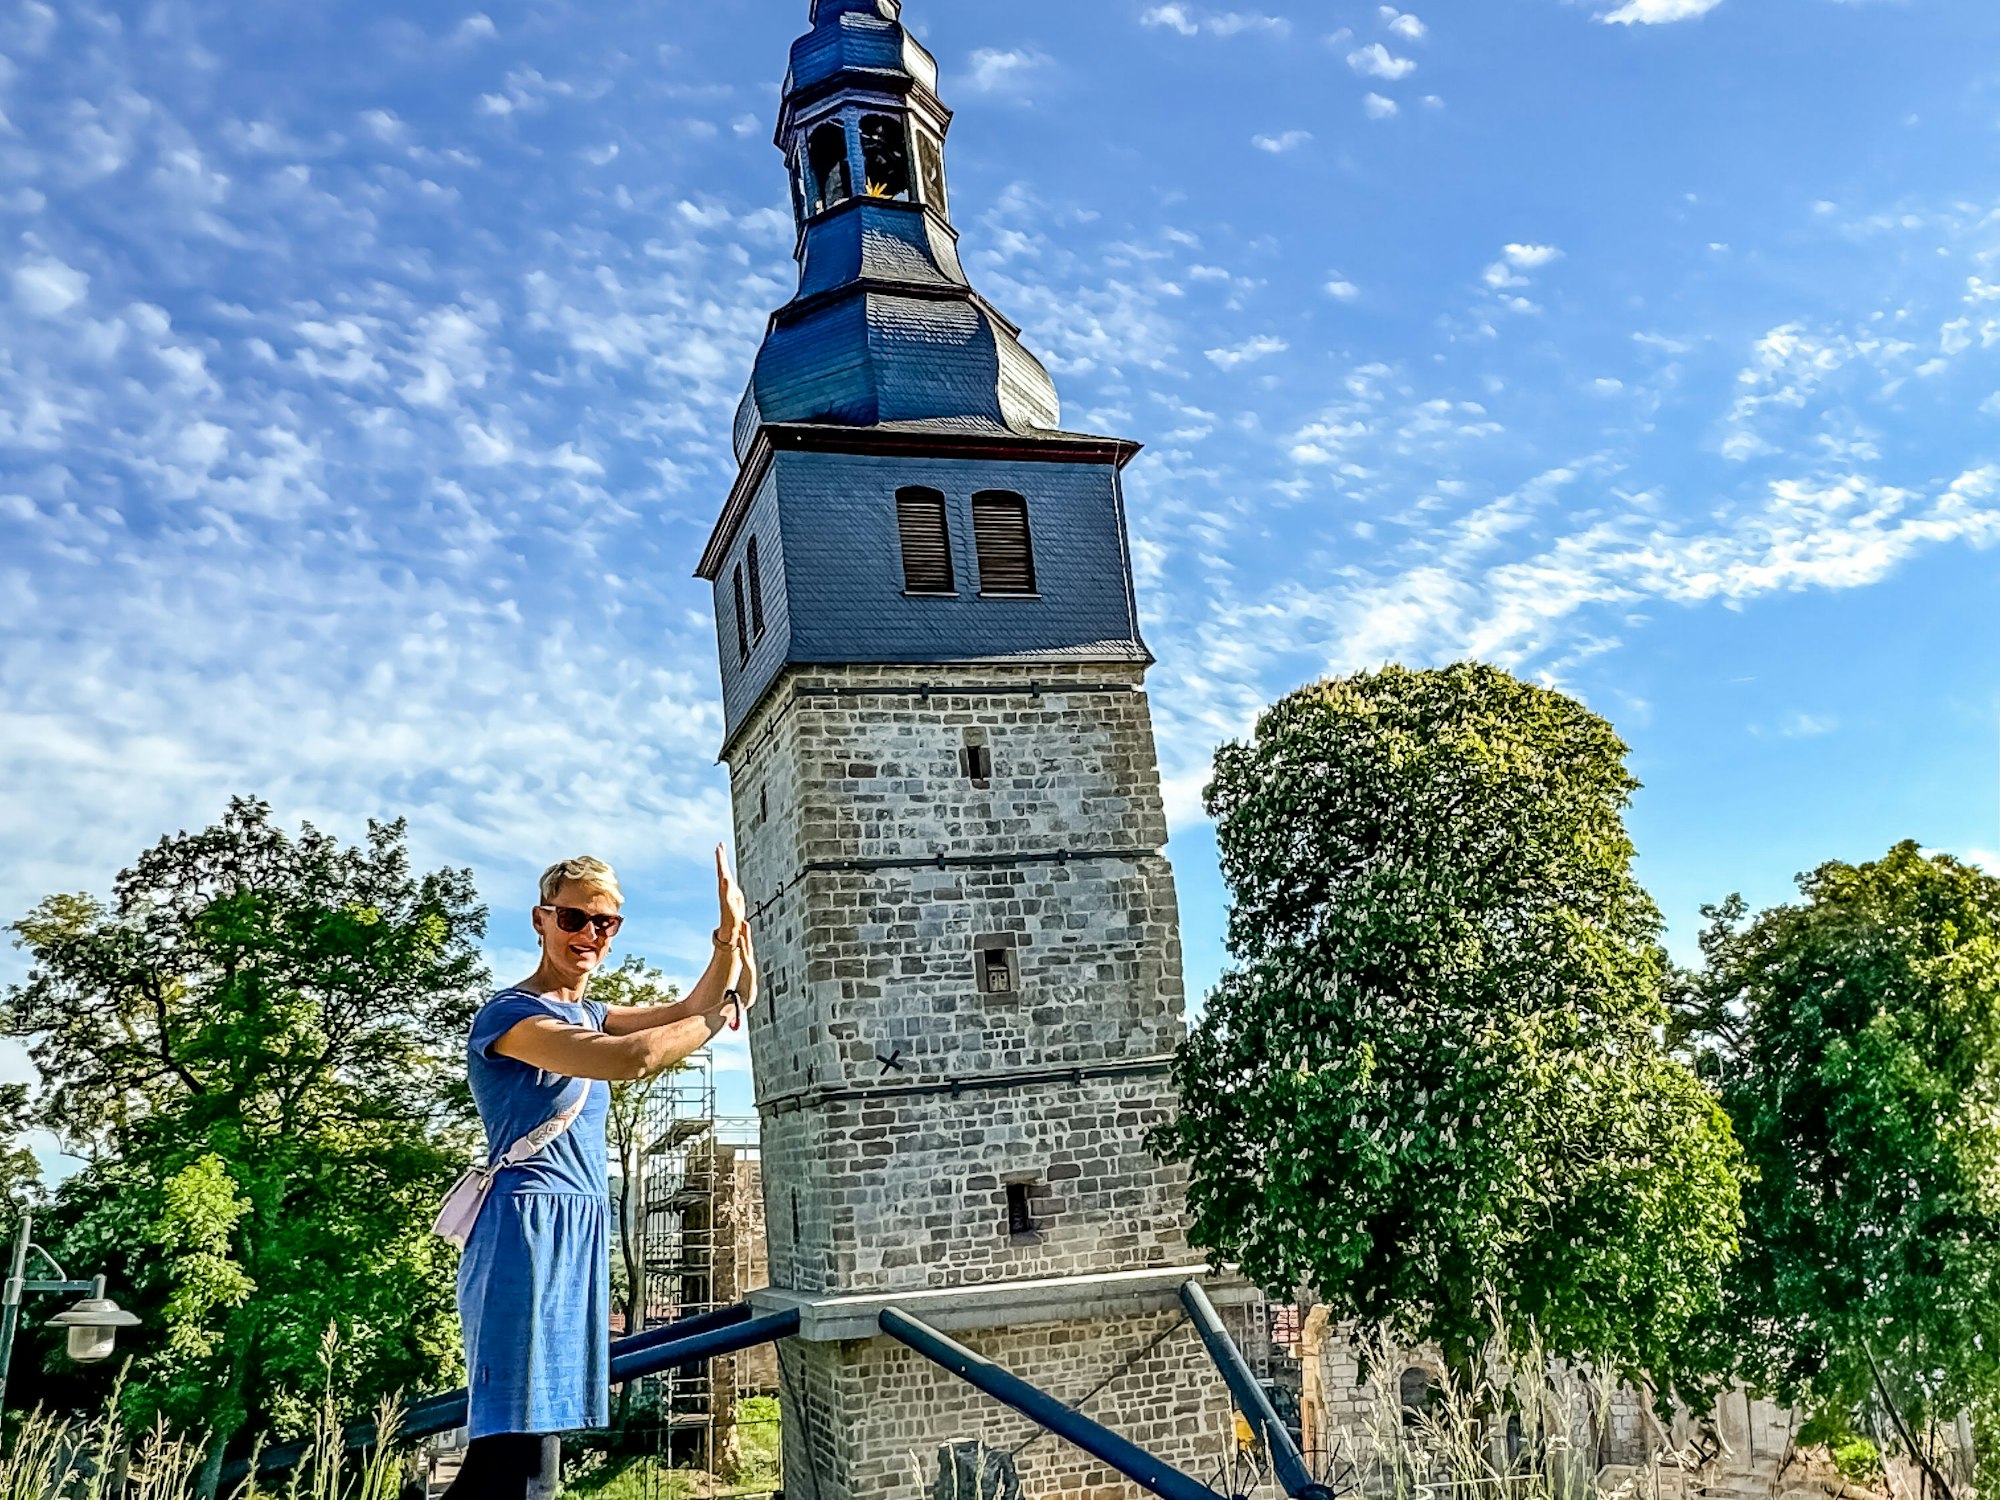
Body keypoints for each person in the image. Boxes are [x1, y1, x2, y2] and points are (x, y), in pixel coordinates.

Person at [445, 848, 756, 1499]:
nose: (589, 934)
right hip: (524, 1230)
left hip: (576, 1227)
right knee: (510, 1448)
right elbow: (638, 1058)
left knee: (541, 1442)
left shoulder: (590, 1012)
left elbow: (688, 1006)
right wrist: (724, 1012)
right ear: (541, 919)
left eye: (605, 923)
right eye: (574, 918)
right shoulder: (510, 1016)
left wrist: (727, 938)